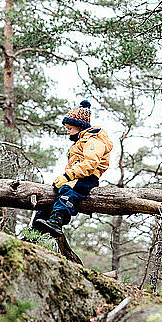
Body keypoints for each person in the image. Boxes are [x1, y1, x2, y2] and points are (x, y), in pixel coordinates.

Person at [33, 100, 113, 238]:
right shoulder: (79, 142)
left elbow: (90, 163)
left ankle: (57, 220)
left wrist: (67, 176)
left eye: (70, 128)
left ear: (79, 126)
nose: (68, 132)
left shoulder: (93, 140)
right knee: (54, 192)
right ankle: (38, 224)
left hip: (87, 177)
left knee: (68, 191)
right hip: (76, 176)